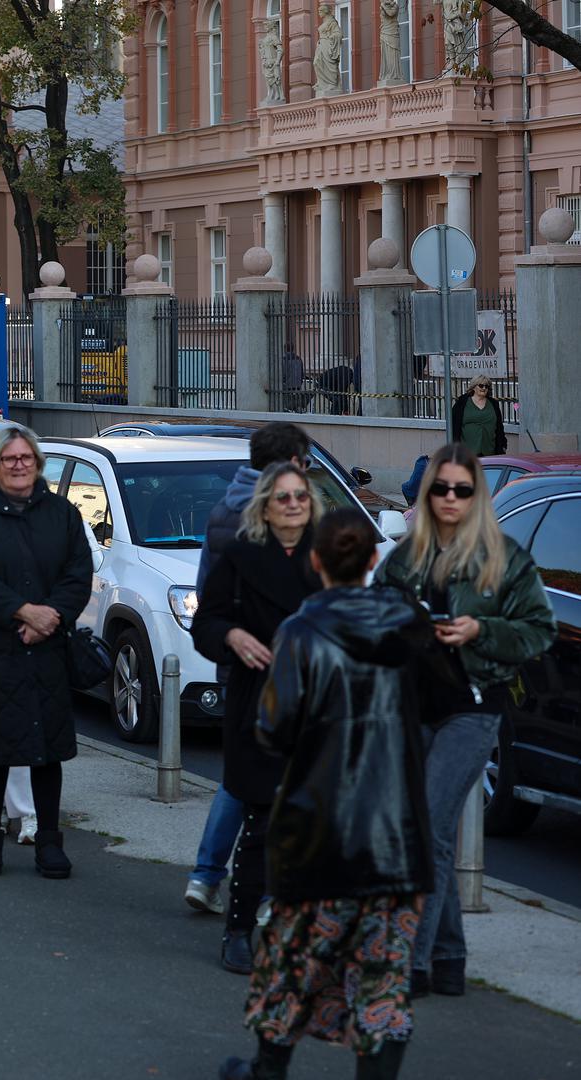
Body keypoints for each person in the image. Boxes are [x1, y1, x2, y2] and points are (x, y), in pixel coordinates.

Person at [219, 508, 438, 1080]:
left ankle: (268, 1069)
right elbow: (443, 700)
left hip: (317, 832)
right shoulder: (408, 625)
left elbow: (273, 728)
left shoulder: (300, 632)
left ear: (316, 561)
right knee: (384, 976)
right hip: (395, 834)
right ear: (373, 560)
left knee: (292, 959)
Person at [373, 443, 555, 999]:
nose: (450, 499)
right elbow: (373, 621)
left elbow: (538, 631)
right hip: (412, 706)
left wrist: (481, 632)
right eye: (440, 489)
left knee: (426, 827)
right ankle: (450, 957)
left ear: (477, 497)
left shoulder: (502, 558)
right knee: (434, 836)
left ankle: (411, 964)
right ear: (427, 495)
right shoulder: (407, 556)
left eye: (462, 490)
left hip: (473, 709)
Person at [192, 462, 323, 974]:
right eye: (283, 498)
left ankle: (296, 930)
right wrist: (231, 636)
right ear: (266, 507)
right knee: (262, 822)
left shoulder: (325, 561)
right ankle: (240, 929)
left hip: (315, 710)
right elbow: (207, 621)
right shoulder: (241, 558)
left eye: (301, 498)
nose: (293, 505)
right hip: (258, 705)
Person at [0, 428, 92, 877]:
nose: (18, 464)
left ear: (37, 461)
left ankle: (49, 841)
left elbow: (78, 573)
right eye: (9, 458)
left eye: (26, 457)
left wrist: (51, 617)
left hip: (48, 648)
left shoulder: (62, 513)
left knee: (47, 750)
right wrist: (23, 613)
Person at [449, 375, 507, 457]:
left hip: (490, 451)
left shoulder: (493, 404)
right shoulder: (462, 403)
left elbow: (499, 427)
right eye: (481, 385)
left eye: (486, 386)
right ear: (473, 387)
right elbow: (453, 425)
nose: (484, 388)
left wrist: (503, 445)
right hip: (467, 453)